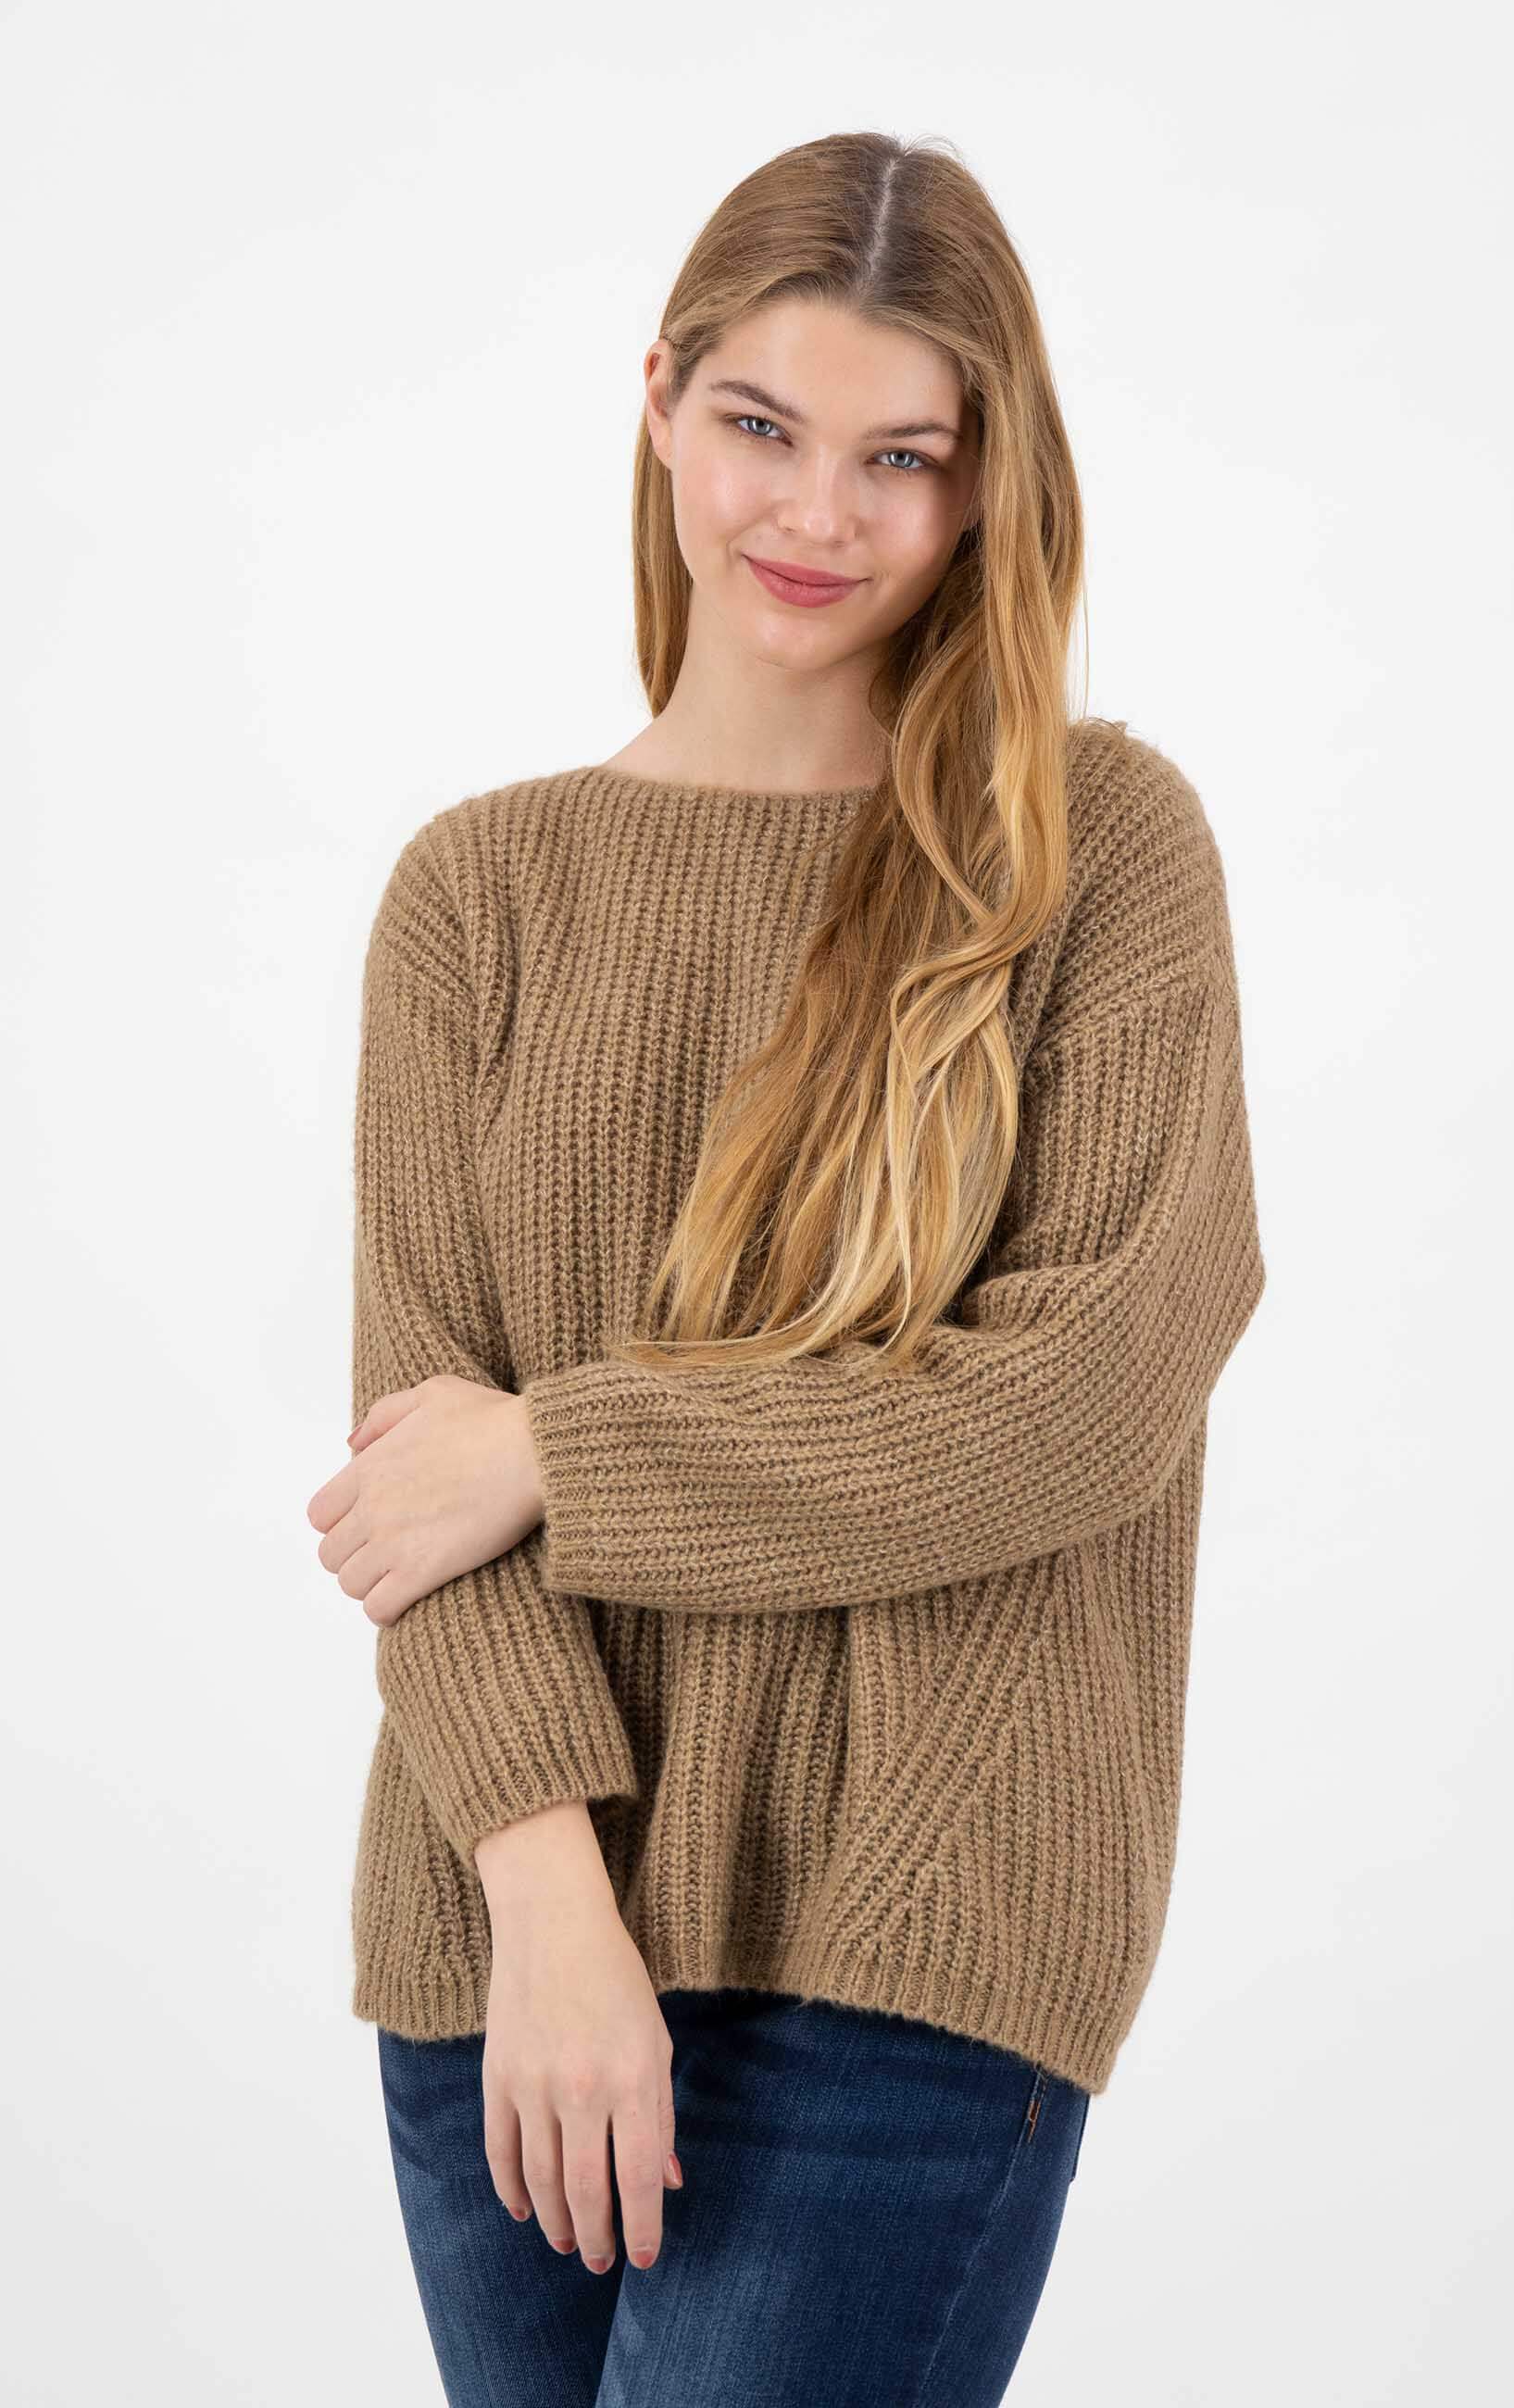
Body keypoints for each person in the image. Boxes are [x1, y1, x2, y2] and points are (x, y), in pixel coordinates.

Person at [307, 127, 1268, 2408]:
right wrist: (551, 1906)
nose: (819, 515)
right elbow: (415, 1476)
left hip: (910, 1952)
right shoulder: (476, 895)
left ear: (986, 480)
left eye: (899, 456)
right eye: (761, 425)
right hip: (498, 1946)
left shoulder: (1093, 856)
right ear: (659, 401)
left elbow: (1074, 1407)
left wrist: (564, 1452)